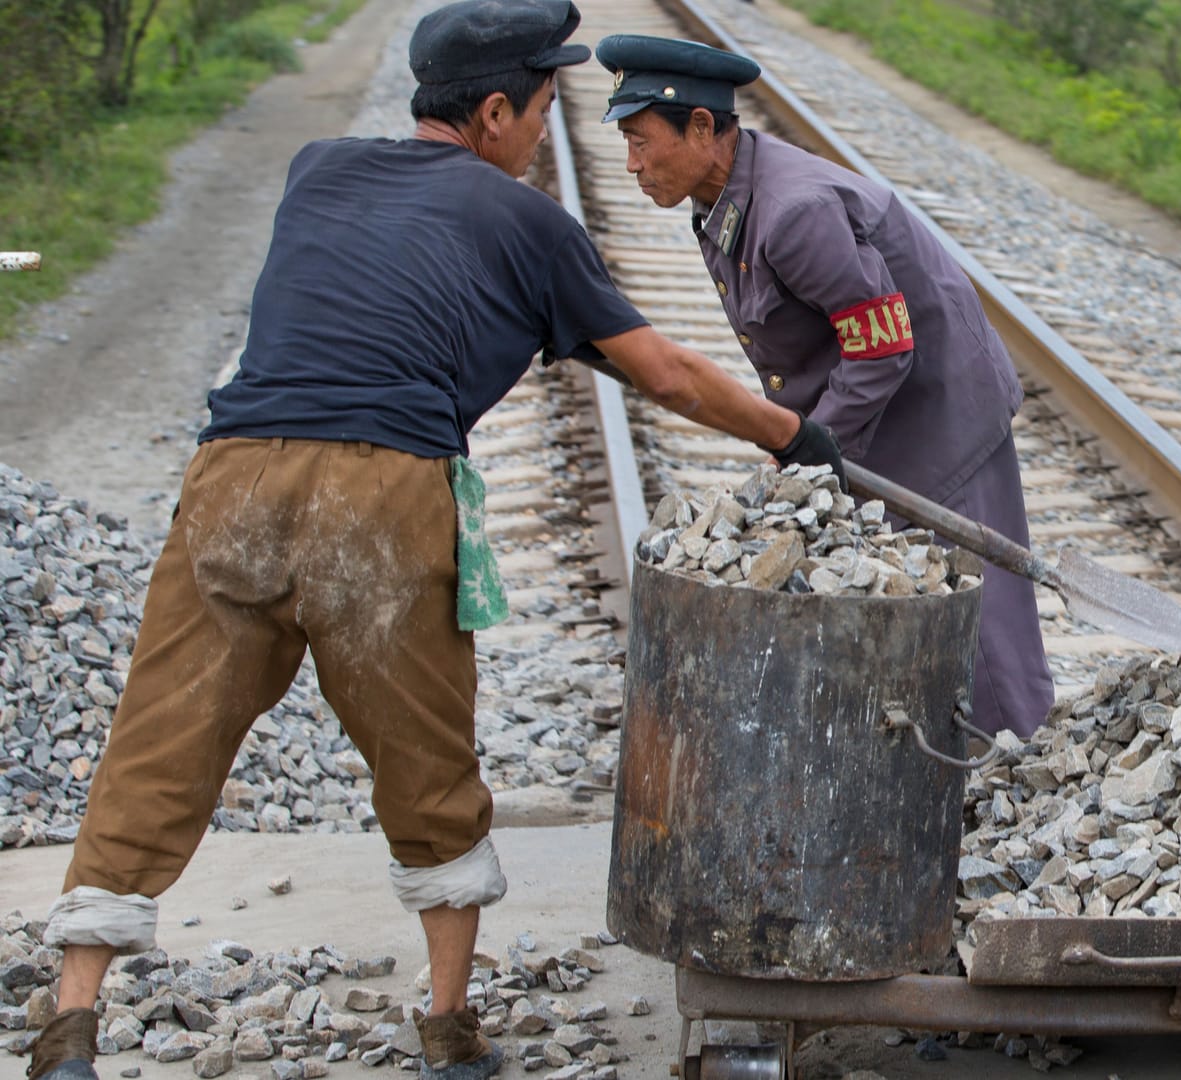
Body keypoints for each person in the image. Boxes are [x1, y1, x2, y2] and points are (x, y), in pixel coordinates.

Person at [25, 5, 840, 1080]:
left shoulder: (316, 170)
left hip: (232, 478)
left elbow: (386, 288)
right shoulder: (530, 223)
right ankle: (450, 1032)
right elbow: (665, 373)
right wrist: (799, 437)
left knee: (159, 742)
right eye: (544, 110)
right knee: (426, 760)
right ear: (495, 111)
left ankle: (71, 1028)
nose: (549, 134)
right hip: (383, 493)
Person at [591, 34, 1056, 738]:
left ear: (702, 127)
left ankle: (1020, 770)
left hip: (939, 413)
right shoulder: (719, 199)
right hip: (875, 414)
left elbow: (883, 344)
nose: (630, 164)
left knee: (981, 615)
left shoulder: (792, 212)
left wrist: (814, 448)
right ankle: (948, 773)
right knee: (907, 597)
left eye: (640, 141)